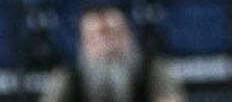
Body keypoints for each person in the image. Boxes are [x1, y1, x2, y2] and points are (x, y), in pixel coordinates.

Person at [40, 5, 186, 102]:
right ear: (83, 44)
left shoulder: (155, 69)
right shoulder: (66, 76)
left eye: (115, 34)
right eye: (96, 37)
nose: (107, 44)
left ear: (129, 36)